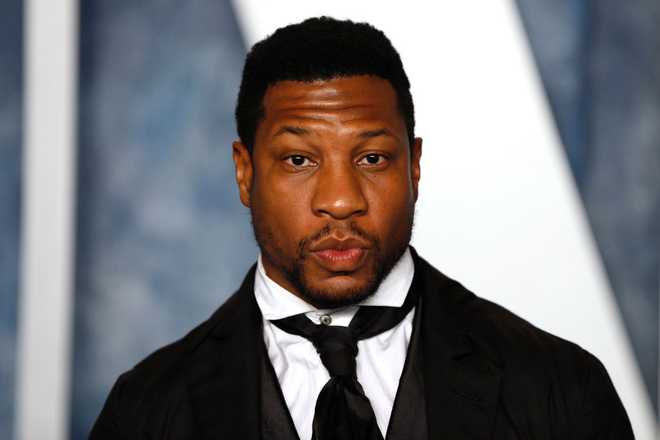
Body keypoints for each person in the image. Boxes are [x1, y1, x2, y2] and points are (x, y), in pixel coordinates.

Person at [90, 17, 633, 440]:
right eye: (299, 160)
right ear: (245, 171)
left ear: (414, 167)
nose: (341, 200)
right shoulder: (146, 411)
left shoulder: (561, 391)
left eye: (372, 158)